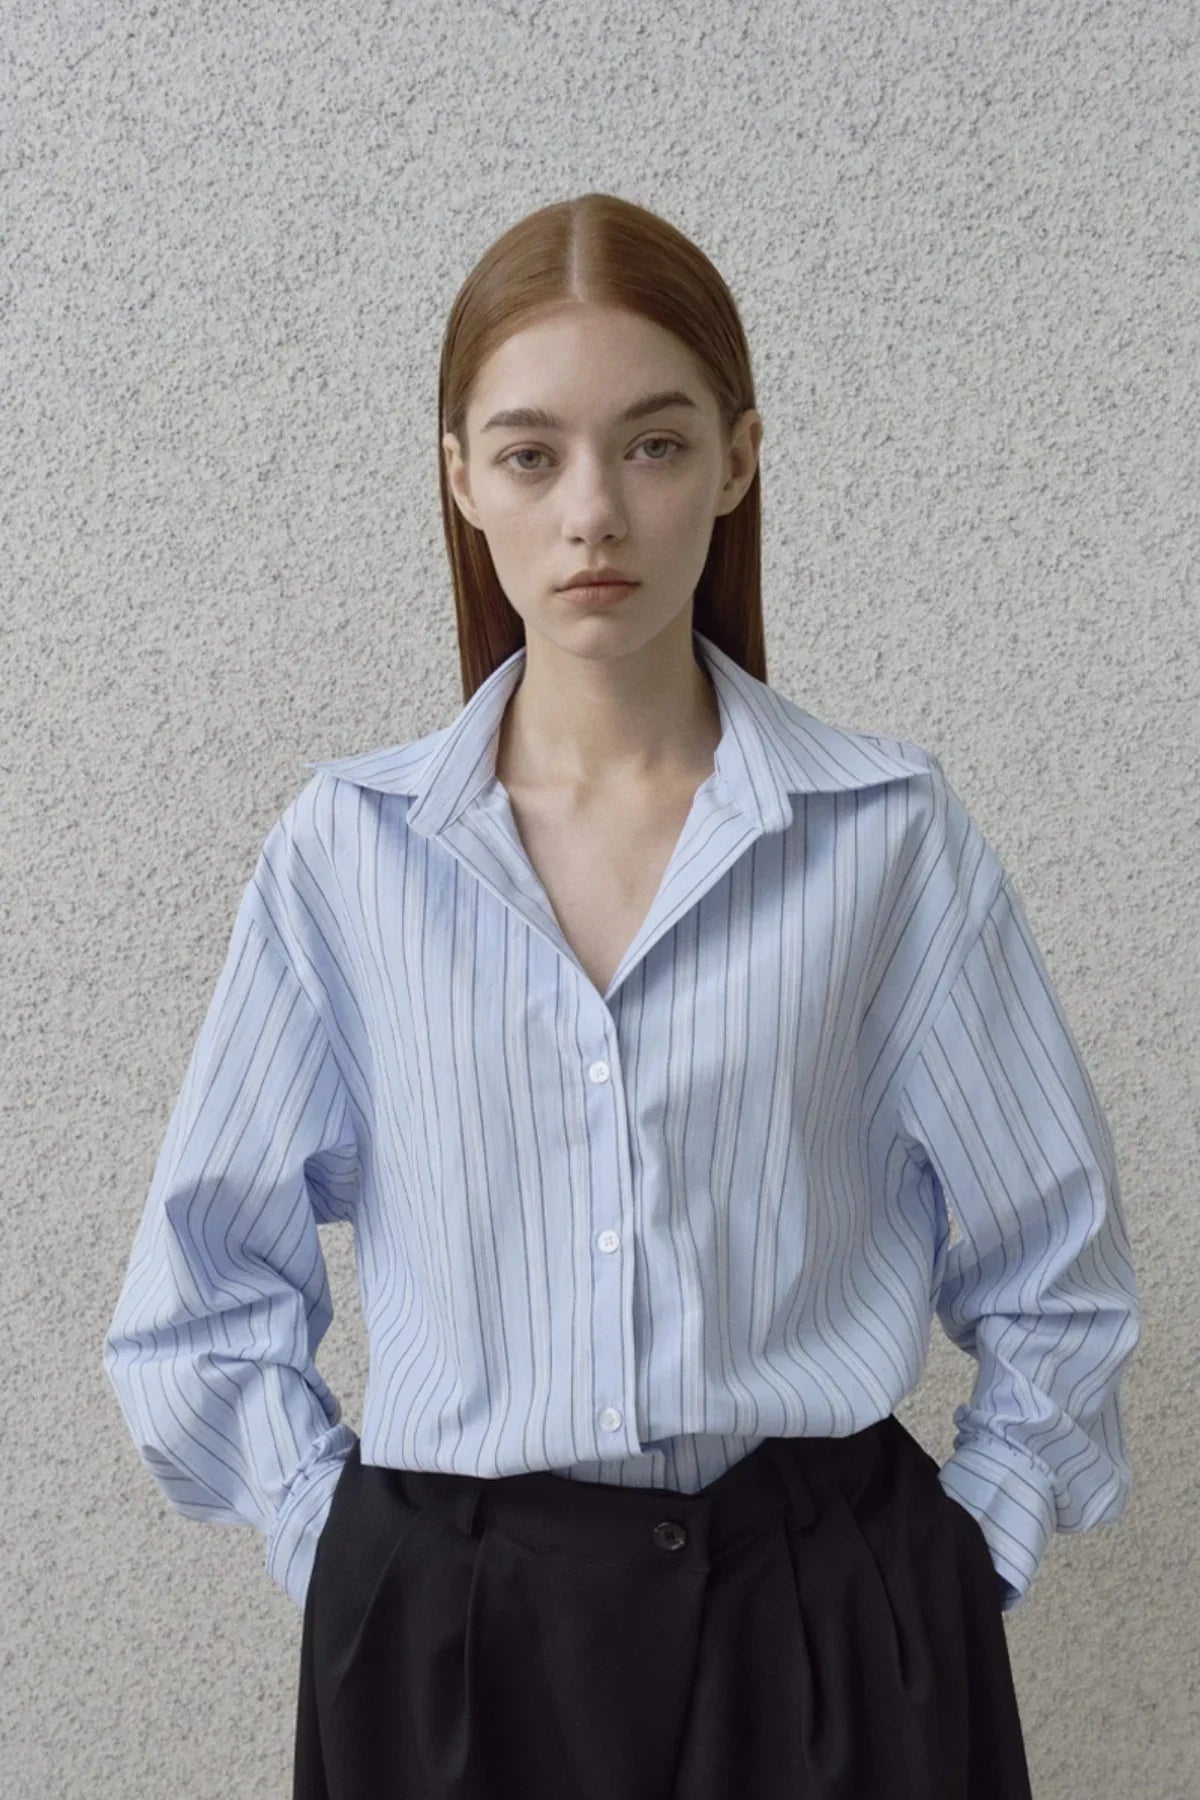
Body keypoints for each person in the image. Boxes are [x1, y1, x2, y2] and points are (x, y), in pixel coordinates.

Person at [102, 192, 1141, 1800]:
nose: (593, 511)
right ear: (460, 480)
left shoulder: (890, 842)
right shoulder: (347, 854)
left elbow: (1057, 1272)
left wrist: (952, 1566)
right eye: (531, 454)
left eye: (653, 447)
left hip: (830, 1635)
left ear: (735, 461)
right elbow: (200, 1290)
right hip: (456, 1646)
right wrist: (355, 1561)